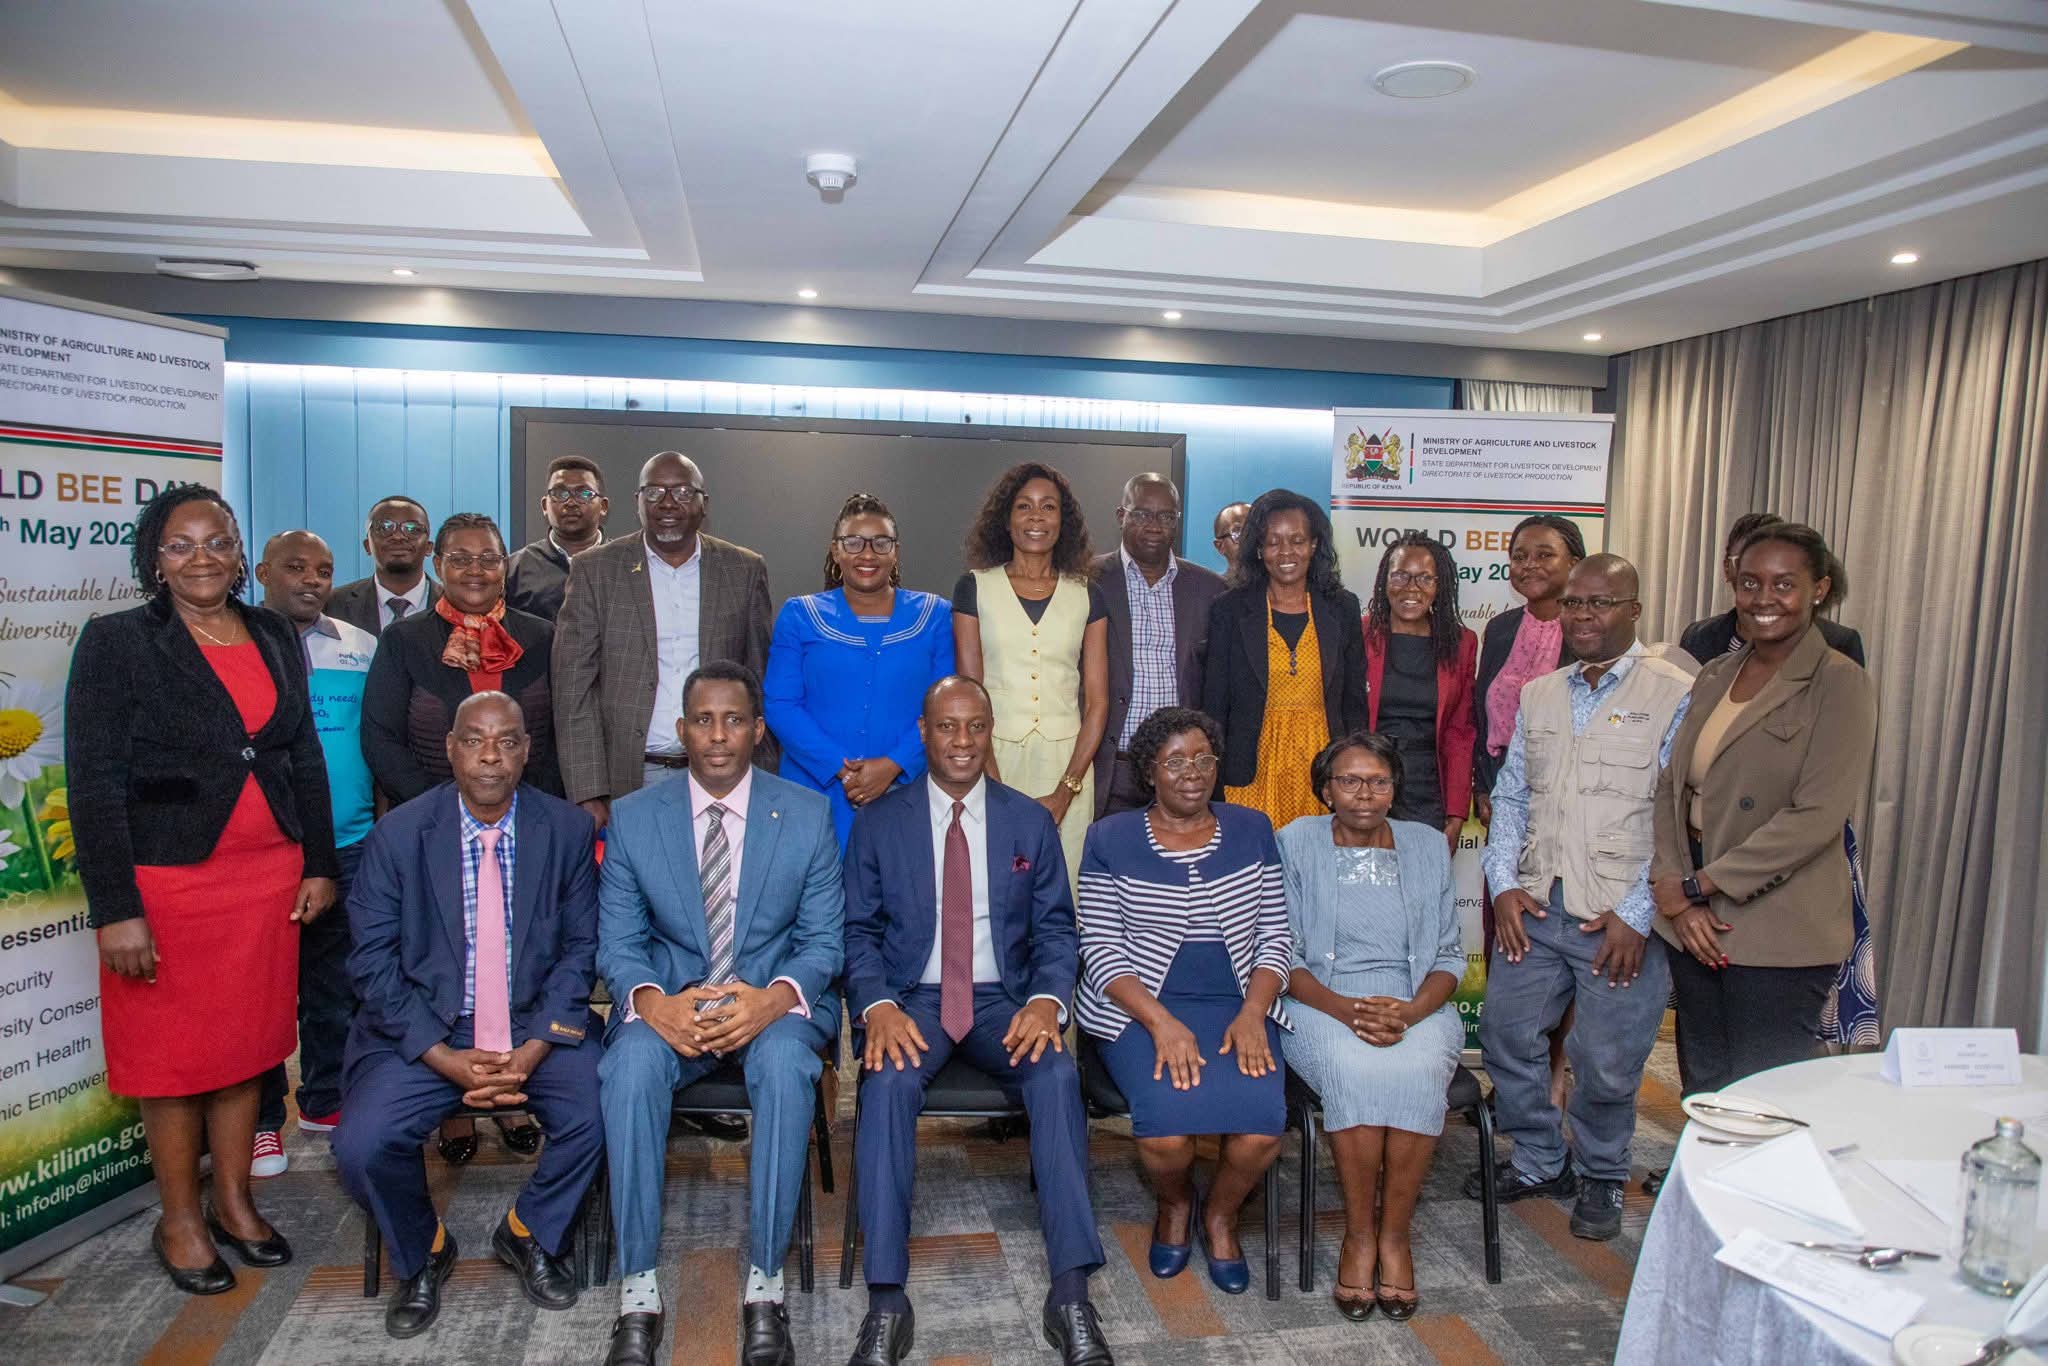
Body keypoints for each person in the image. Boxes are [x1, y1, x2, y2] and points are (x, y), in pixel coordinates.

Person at [66, 485, 339, 1295]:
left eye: (216, 541)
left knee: (247, 1052)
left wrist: (318, 861)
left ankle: (234, 1200)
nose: (201, 558)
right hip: (170, 887)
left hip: (266, 881)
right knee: (173, 1060)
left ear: (237, 551)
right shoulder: (119, 642)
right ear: (155, 558)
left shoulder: (268, 631)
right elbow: (92, 782)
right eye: (180, 545)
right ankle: (179, 1218)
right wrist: (116, 909)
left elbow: (301, 755)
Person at [840, 677, 1112, 1366]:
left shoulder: (1028, 821)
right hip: (913, 999)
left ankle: (1071, 1290)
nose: (962, 742)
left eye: (975, 728)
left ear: (990, 732)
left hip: (1003, 1000)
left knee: (1055, 1076)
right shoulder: (880, 821)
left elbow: (1057, 930)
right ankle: (885, 1298)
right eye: (947, 728)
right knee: (888, 1084)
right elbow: (857, 932)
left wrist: (1048, 1002)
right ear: (924, 732)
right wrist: (877, 1007)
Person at [332, 693, 604, 1340]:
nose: (491, 756)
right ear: (450, 748)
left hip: (534, 1026)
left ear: (527, 750)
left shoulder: (565, 831)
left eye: (508, 741)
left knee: (611, 1103)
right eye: (475, 740)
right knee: (361, 1144)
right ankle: (424, 1249)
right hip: (430, 1031)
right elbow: (371, 964)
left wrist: (535, 1047)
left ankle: (528, 1231)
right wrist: (442, 1054)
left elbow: (581, 950)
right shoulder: (398, 836)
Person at [595, 662, 844, 1366]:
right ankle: (637, 1287)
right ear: (680, 731)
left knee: (790, 1064)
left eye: (734, 719)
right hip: (673, 1001)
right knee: (630, 1068)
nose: (718, 735)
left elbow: (825, 941)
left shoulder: (805, 812)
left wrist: (769, 1000)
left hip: (772, 1003)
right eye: (703, 719)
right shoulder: (637, 817)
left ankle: (765, 1283)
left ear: (758, 729)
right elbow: (617, 943)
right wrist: (653, 1004)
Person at [1474, 556, 1695, 1241]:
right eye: (1574, 604)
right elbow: (1511, 795)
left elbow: (1680, 816)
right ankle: (1543, 1160)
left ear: (1633, 609)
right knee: (1506, 1036)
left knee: (1605, 1061)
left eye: (1601, 603)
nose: (1583, 616)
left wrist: (1639, 916)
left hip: (1618, 917)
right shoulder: (1541, 692)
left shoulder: (1677, 693)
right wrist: (1504, 884)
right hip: (1538, 906)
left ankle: (1601, 1174)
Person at [1651, 523, 1877, 1096]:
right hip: (1692, 916)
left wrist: (1700, 885)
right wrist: (1677, 895)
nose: (1764, 599)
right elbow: (1670, 788)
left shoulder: (1839, 683)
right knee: (1703, 1085)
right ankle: (1704, 1185)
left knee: (1763, 1093)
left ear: (1819, 588)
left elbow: (1816, 816)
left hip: (1779, 923)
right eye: (1751, 583)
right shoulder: (1715, 674)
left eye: (1784, 584)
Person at [362, 512, 557, 1157]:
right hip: (431, 831)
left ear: (507, 563)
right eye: (461, 558)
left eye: (489, 557)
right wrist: (444, 817)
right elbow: (380, 737)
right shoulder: (405, 640)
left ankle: (509, 1095)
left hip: (527, 827)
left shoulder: (543, 636)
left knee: (515, 953)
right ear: (437, 564)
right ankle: (454, 1106)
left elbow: (557, 736)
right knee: (445, 958)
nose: (476, 570)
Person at [1076, 707, 1289, 1295]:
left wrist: (1252, 1012)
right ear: (1149, 772)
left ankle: (1221, 1214)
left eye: (1202, 759)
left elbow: (1275, 934)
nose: (1191, 772)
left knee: (1262, 1126)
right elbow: (1099, 946)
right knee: (1165, 1134)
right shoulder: (1109, 837)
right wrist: (1162, 1023)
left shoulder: (1252, 828)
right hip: (1139, 1007)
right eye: (1174, 761)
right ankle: (1175, 1204)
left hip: (1236, 1003)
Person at [1278, 733, 1463, 1322]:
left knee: (1413, 1067)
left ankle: (1395, 1238)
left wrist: (1410, 1012)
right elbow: (1280, 954)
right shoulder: (1296, 841)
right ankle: (1360, 1237)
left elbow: (1450, 957)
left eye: (1378, 780)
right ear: (1326, 789)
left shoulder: (1429, 844)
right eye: (1350, 781)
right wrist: (1344, 1010)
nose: (1365, 793)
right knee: (1356, 1066)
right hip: (1320, 1003)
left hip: (1415, 1003)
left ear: (1395, 787)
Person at [554, 449, 773, 827]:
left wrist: (764, 773)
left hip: (724, 772)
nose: (667, 503)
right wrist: (588, 790)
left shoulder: (744, 569)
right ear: (637, 502)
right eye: (653, 492)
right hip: (630, 778)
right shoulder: (596, 570)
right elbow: (573, 687)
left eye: (683, 492)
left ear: (705, 503)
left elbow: (758, 678)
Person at [251, 531, 379, 1172]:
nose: (311, 579)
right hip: (263, 847)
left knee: (336, 983)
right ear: (262, 571)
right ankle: (262, 1119)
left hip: (350, 842)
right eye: (295, 567)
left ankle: (324, 1097)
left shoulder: (361, 647)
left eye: (323, 570)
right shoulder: (236, 643)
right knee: (264, 988)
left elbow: (376, 741)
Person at [764, 492, 954, 848]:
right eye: (853, 542)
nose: (867, 554)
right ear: (836, 551)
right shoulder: (799, 615)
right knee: (816, 898)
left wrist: (893, 765)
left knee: (901, 897)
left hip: (905, 791)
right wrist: (842, 769)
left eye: (881, 543)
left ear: (896, 551)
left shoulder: (935, 615)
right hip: (815, 793)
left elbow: (944, 709)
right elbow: (779, 705)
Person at [952, 462, 1109, 891]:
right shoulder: (974, 587)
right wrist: (995, 787)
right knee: (998, 884)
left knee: (1064, 890)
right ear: (1007, 519)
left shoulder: (1087, 594)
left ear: (1064, 520)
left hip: (1069, 765)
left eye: (1048, 507)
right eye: (1024, 507)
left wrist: (1066, 790)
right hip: (993, 757)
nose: (1036, 517)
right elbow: (971, 693)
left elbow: (1097, 702)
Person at [1203, 490, 1368, 831]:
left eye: (1297, 540)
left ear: (1314, 545)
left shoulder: (1343, 608)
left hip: (1324, 771)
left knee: (1317, 870)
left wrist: (1355, 773)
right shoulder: (1229, 609)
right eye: (1273, 541)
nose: (1286, 552)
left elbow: (1354, 703)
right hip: (1249, 770)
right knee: (1252, 870)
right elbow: (1214, 706)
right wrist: (1212, 777)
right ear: (1259, 549)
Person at [1092, 474, 1227, 817]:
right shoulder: (1086, 579)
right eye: (1142, 514)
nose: (1155, 525)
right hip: (1109, 767)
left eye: (1166, 516)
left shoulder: (1209, 590)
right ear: (1121, 515)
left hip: (1183, 772)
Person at [1361, 533, 1477, 844]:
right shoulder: (1360, 634)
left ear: (1440, 586)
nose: (1412, 588)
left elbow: (1459, 732)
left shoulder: (1461, 643)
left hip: (1427, 785)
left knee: (1422, 884)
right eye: (1401, 575)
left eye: (1426, 578)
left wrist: (1455, 811)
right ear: (1385, 580)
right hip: (1365, 780)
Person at [1472, 514, 1585, 825]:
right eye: (1519, 557)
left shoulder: (1589, 631)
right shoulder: (1499, 629)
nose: (1529, 565)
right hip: (1501, 785)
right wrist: (1482, 787)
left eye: (1545, 555)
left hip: (1568, 792)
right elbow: (1482, 716)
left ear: (1574, 563)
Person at [1678, 512, 1866, 667]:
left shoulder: (1837, 644)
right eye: (1745, 564)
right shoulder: (1697, 638)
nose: (1764, 597)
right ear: (1727, 569)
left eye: (1782, 583)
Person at [506, 454, 610, 621]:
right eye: (560, 493)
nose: (570, 502)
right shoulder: (514, 569)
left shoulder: (623, 565)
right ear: (544, 506)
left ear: (603, 506)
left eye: (583, 493)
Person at [331, 495, 441, 636]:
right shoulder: (333, 604)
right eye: (384, 528)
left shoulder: (454, 605)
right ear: (367, 546)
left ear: (429, 547)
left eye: (412, 529)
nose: (398, 537)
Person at [1211, 501, 1250, 571]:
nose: (1251, 539)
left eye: (1255, 531)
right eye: (1239, 534)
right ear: (1220, 546)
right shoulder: (1212, 581)